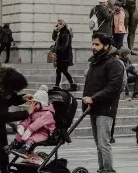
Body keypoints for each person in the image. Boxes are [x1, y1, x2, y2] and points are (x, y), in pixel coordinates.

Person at [82, 32, 125, 173]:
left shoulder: (114, 63)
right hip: (93, 107)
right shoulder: (95, 61)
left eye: (97, 44)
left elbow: (113, 87)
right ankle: (102, 169)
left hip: (106, 108)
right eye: (93, 44)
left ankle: (108, 170)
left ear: (106, 46)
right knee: (99, 144)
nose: (93, 47)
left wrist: (93, 98)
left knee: (103, 143)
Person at [10, 85, 56, 154]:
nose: (33, 105)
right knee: (21, 132)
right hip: (34, 130)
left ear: (42, 104)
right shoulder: (34, 111)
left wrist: (29, 130)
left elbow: (38, 123)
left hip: (44, 132)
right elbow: (28, 119)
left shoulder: (48, 113)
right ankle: (16, 143)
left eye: (35, 103)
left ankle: (25, 148)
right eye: (32, 103)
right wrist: (22, 126)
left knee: (32, 138)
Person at [52, 18, 76, 90]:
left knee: (63, 70)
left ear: (64, 24)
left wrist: (58, 51)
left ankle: (72, 85)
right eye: (58, 24)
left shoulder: (65, 32)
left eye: (60, 24)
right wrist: (55, 31)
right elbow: (54, 38)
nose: (58, 26)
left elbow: (65, 45)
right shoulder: (60, 32)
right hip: (61, 55)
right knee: (59, 70)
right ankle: (57, 86)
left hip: (64, 56)